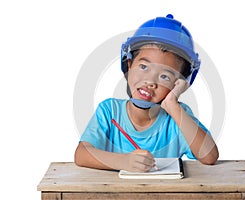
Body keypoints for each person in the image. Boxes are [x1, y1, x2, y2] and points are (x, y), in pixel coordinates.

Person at [74, 14, 219, 172]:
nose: (150, 81)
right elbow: (81, 155)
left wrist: (172, 105)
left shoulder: (177, 117)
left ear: (178, 83)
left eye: (165, 76)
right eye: (143, 67)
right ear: (129, 65)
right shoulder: (110, 111)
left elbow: (209, 156)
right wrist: (123, 162)